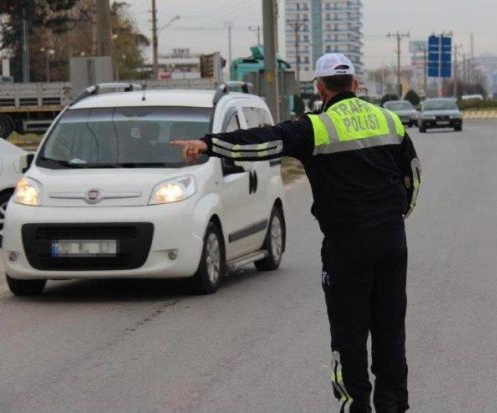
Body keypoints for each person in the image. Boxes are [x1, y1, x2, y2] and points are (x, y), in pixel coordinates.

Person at [172, 53, 421, 413]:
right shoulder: (390, 120)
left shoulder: (316, 127)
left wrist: (209, 144)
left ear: (320, 88)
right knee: (390, 329)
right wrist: (397, 216)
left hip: (347, 246)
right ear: (354, 83)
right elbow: (412, 175)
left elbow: (261, 142)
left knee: (349, 335)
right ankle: (393, 405)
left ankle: (356, 407)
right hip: (391, 241)